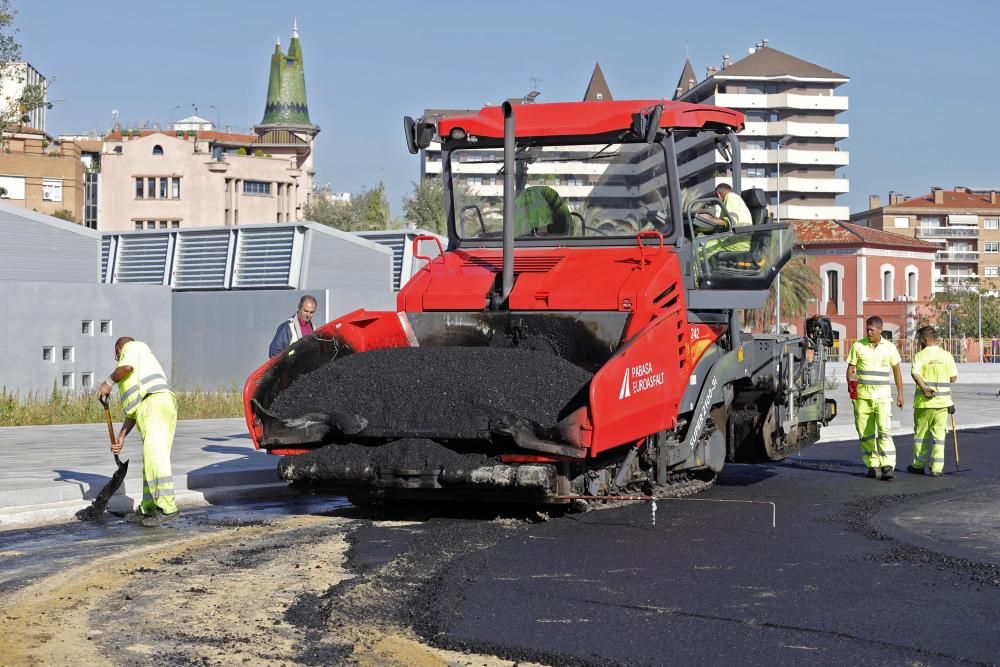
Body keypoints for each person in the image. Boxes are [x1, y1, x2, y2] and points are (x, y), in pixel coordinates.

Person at [97, 337, 178, 527]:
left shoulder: (132, 347)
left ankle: (167, 508)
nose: (118, 359)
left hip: (154, 404)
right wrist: (121, 436)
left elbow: (125, 368)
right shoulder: (142, 366)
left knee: (156, 458)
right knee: (150, 461)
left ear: (119, 349)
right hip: (151, 406)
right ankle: (148, 509)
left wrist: (108, 382)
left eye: (117, 355)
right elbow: (133, 412)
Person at [846, 317, 904, 479]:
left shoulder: (889, 347)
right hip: (862, 398)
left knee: (884, 430)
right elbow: (851, 369)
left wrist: (900, 394)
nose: (869, 332)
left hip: (883, 397)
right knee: (865, 432)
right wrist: (852, 388)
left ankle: (887, 465)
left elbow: (896, 371)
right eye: (867, 329)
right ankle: (872, 465)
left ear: (880, 330)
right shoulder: (858, 346)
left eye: (872, 329)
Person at [909, 326, 958, 476]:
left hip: (924, 404)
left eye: (919, 339)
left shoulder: (920, 356)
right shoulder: (947, 355)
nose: (918, 343)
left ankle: (918, 465)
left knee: (921, 435)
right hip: (943, 404)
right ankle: (937, 468)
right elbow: (953, 378)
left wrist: (924, 386)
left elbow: (915, 373)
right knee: (939, 437)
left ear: (924, 339)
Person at [701, 183, 754, 265]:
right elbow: (723, 223)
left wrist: (707, 219)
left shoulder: (731, 197)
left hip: (735, 243)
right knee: (702, 245)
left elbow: (730, 221)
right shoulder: (732, 201)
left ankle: (694, 277)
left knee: (698, 251)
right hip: (732, 240)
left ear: (718, 194)